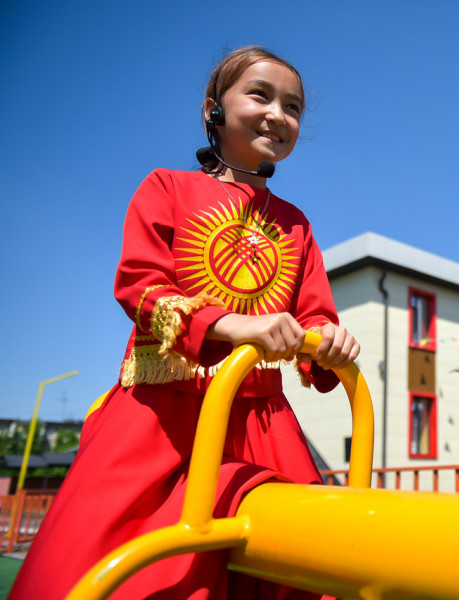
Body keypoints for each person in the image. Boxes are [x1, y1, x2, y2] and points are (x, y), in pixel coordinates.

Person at [11, 46, 360, 600]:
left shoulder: (297, 224)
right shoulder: (166, 188)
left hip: (260, 419)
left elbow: (314, 312)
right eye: (260, 95)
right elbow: (140, 285)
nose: (278, 114)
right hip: (162, 412)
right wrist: (229, 326)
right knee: (102, 564)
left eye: (292, 107)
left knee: (309, 563)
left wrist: (330, 340)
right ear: (212, 109)